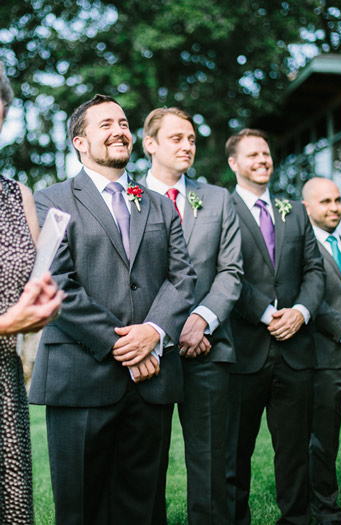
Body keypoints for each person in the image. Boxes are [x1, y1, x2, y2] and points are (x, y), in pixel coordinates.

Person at [29, 94, 196, 524]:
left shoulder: (158, 203)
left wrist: (154, 333)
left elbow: (183, 277)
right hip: (80, 376)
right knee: (81, 507)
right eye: (105, 125)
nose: (120, 130)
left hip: (151, 380)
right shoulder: (50, 200)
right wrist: (124, 344)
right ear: (80, 142)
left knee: (143, 508)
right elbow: (55, 281)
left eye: (123, 123)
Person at [141, 107, 244, 524]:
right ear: (150, 145)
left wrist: (202, 319)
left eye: (192, 139)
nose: (187, 146)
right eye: (176, 138)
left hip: (209, 347)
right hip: (150, 351)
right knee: (147, 463)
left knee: (211, 462)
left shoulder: (218, 198)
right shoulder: (128, 196)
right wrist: (168, 329)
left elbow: (232, 270)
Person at [224, 129, 325, 524]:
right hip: (244, 351)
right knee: (234, 454)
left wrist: (300, 311)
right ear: (234, 163)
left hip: (296, 351)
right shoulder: (221, 208)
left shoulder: (294, 211)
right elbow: (225, 274)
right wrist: (268, 314)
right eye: (252, 155)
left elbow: (314, 270)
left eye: (266, 153)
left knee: (294, 452)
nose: (263, 160)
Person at [0, 62, 64, 525]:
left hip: (5, 387)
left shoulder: (17, 194)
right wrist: (6, 324)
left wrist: (41, 303)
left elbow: (33, 277)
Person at [301, 177, 341, 525]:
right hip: (323, 356)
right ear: (307, 208)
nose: (334, 207)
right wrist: (339, 328)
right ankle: (325, 509)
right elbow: (306, 298)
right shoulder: (302, 248)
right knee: (323, 440)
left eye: (337, 200)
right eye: (325, 202)